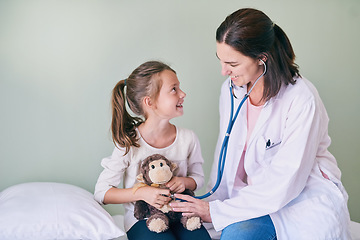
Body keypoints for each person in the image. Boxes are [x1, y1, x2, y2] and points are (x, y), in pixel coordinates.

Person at [170, 8, 351, 240]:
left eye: (232, 64)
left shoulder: (301, 98)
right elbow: (226, 153)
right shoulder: (231, 90)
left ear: (261, 58)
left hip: (302, 199)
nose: (224, 71)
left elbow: (288, 178)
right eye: (221, 61)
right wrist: (211, 203)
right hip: (251, 198)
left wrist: (217, 211)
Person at [94, 61, 211, 240]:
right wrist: (142, 193)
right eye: (174, 89)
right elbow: (102, 193)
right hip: (142, 219)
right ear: (150, 102)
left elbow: (199, 179)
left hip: (182, 215)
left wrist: (185, 182)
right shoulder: (129, 143)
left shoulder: (188, 138)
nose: (183, 94)